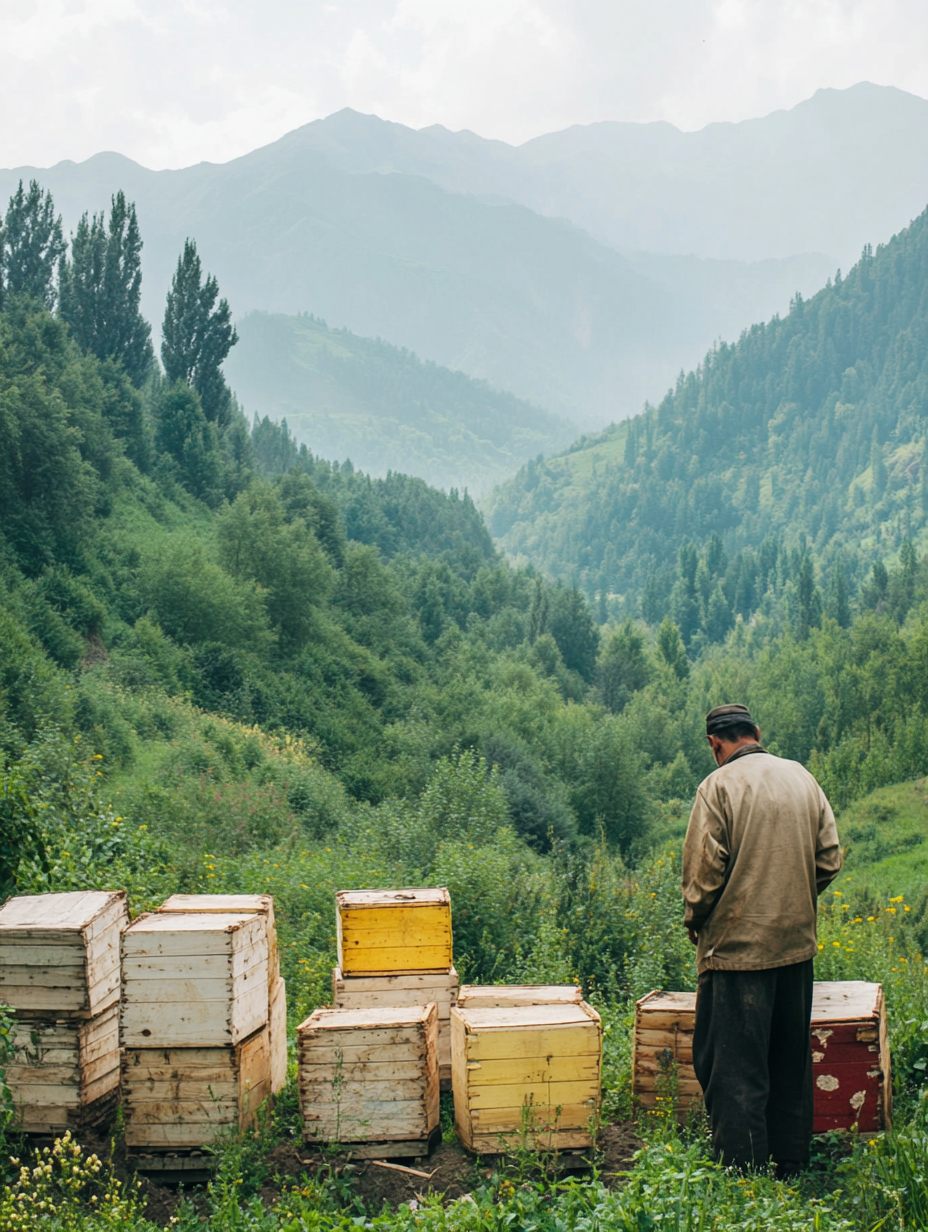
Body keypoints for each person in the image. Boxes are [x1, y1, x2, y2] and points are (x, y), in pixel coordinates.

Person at [681, 703, 842, 1176]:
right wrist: (792, 896)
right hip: (795, 950)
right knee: (789, 1063)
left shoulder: (716, 788)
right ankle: (790, 1165)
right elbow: (829, 859)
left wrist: (696, 918)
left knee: (733, 1072)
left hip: (735, 956)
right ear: (756, 733)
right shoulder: (801, 777)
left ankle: (743, 1179)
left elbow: (703, 878)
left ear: (715, 744)